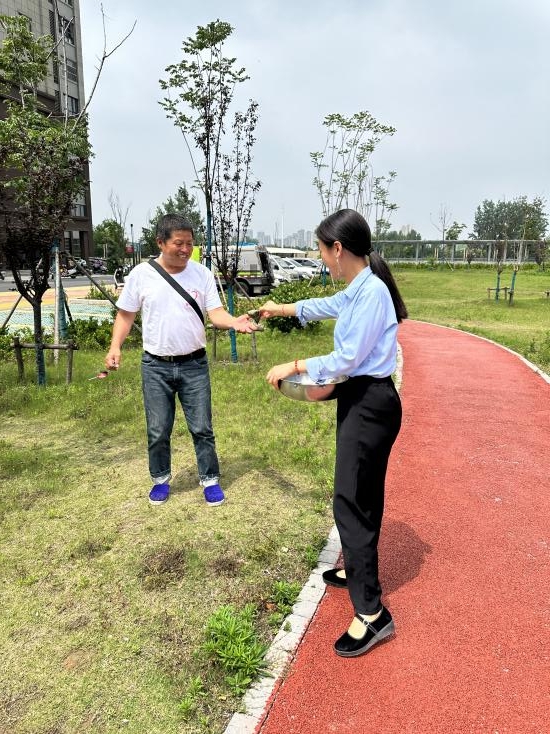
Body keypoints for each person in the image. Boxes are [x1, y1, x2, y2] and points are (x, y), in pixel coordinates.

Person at [261, 208, 407, 658]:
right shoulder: (361, 287)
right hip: (364, 402)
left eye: (322, 252)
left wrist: (296, 364)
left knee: (350, 501)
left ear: (338, 250)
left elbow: (344, 360)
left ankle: (372, 614)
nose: (322, 260)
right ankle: (358, 570)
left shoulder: (372, 293)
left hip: (369, 404)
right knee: (363, 496)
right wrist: (281, 308)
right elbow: (326, 306)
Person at [105, 213, 258, 507]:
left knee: (202, 426)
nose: (186, 249)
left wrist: (234, 322)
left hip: (194, 365)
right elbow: (125, 314)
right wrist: (115, 347)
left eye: (190, 243)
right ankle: (160, 479)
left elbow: (216, 314)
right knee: (158, 428)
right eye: (179, 243)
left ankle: (210, 479)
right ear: (161, 242)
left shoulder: (201, 274)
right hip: (156, 366)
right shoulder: (141, 275)